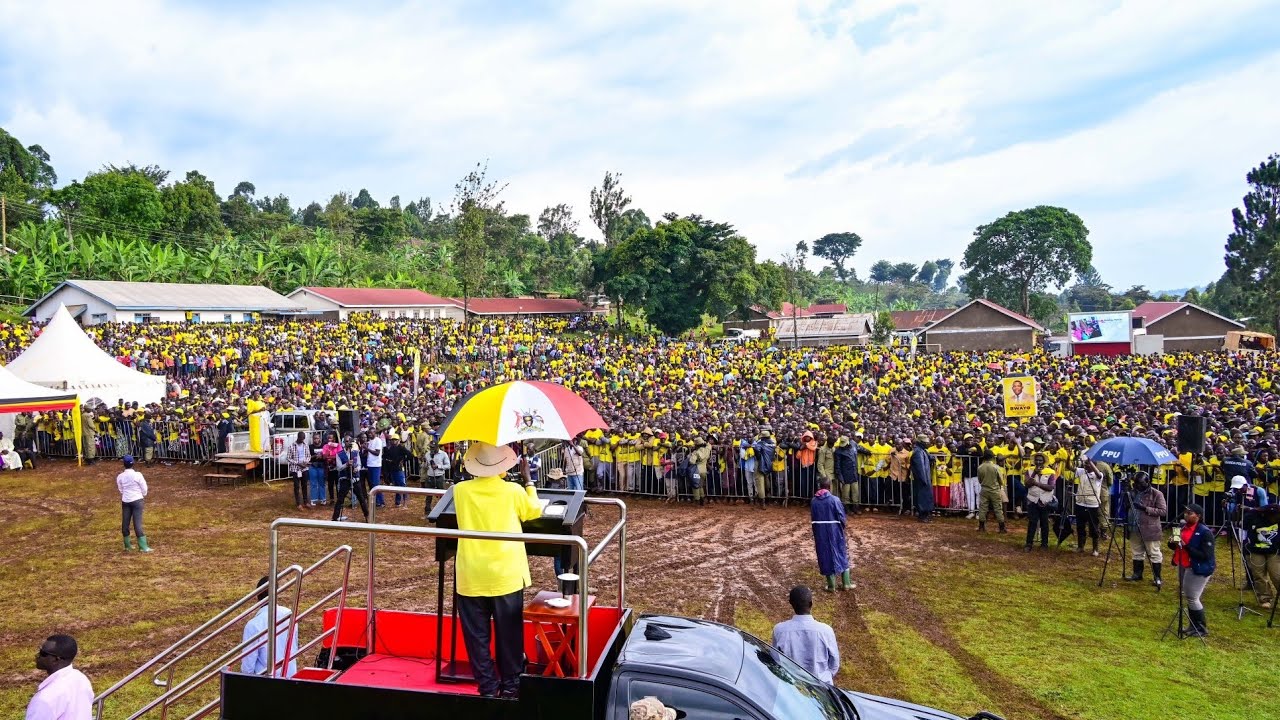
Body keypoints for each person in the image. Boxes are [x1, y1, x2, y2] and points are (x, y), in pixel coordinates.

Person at [453, 441, 542, 698]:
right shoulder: (513, 491)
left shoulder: (460, 490)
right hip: (505, 573)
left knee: (477, 637)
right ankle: (511, 686)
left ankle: (488, 688)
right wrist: (528, 481)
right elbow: (533, 511)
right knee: (509, 634)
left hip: (471, 573)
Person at [771, 586, 840, 683]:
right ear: (811, 603)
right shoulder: (826, 631)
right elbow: (834, 664)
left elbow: (776, 660)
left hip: (791, 686)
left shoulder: (779, 630)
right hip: (822, 686)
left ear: (791, 603)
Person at [1169, 503, 1216, 637]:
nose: (1186, 515)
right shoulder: (1180, 527)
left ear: (1198, 516)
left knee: (1193, 597)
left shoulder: (1205, 532)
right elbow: (1174, 547)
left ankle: (1201, 628)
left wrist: (1186, 546)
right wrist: (1172, 542)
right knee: (1189, 596)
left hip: (1198, 567)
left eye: (1190, 513)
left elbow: (1206, 555)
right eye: (1185, 512)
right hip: (1183, 564)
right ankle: (1192, 626)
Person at [240, 576, 299, 678]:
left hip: (266, 681)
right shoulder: (289, 615)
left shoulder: (253, 625)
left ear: (257, 595)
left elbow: (247, 668)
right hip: (290, 677)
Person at [26, 634, 92, 720]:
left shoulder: (45, 699)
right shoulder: (81, 678)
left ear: (56, 659)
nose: (37, 655)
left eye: (43, 653)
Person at [810, 479, 853, 591]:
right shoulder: (835, 500)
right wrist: (842, 528)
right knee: (841, 553)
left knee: (825, 555)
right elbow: (841, 516)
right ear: (830, 487)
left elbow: (813, 518)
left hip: (820, 532)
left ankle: (831, 586)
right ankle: (846, 584)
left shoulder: (814, 501)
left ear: (820, 486)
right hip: (835, 531)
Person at [1128, 472, 1167, 589]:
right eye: (1136, 483)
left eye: (1140, 484)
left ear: (1147, 482)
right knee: (1136, 551)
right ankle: (1137, 574)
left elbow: (1163, 511)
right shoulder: (1132, 492)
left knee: (1154, 552)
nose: (1138, 486)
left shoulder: (1156, 494)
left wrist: (1145, 508)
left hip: (1150, 528)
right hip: (1134, 526)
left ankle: (1157, 577)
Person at [1243, 504, 1280, 609]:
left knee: (1276, 575)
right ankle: (1265, 598)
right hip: (1255, 550)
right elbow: (1242, 526)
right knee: (1258, 575)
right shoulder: (1252, 516)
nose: (1275, 519)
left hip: (1274, 551)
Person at [117, 455, 152, 552]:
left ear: (124, 464)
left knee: (125, 523)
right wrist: (142, 494)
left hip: (126, 501)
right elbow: (144, 487)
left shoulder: (120, 476)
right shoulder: (138, 475)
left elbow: (121, 489)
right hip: (137, 500)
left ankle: (127, 545)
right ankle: (143, 547)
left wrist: (126, 494)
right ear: (133, 463)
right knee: (137, 523)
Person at [1024, 454, 1057, 551]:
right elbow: (1027, 484)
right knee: (1032, 522)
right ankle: (1029, 543)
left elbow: (1051, 487)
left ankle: (1044, 544)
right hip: (1032, 500)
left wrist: (1036, 483)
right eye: (1036, 460)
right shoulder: (1029, 471)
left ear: (1044, 461)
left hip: (1045, 501)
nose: (1038, 462)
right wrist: (1034, 473)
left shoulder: (1050, 472)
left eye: (1040, 460)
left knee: (1044, 523)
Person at [331, 438, 368, 522]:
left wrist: (357, 469)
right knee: (340, 499)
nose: (349, 443)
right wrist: (346, 464)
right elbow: (339, 468)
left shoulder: (355, 453)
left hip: (355, 478)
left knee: (361, 498)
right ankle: (335, 517)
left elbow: (359, 464)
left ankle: (367, 515)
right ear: (344, 443)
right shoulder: (339, 454)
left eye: (350, 441)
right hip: (345, 479)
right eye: (347, 441)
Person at [1074, 458, 1104, 556]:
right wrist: (1069, 457)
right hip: (1080, 503)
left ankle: (1095, 549)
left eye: (1088, 464)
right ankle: (1080, 546)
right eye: (1085, 464)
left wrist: (1090, 462)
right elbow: (1070, 468)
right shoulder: (1082, 471)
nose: (1085, 466)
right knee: (1080, 526)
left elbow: (1099, 475)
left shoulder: (1098, 475)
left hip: (1092, 505)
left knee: (1094, 527)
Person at [975, 450, 1006, 533]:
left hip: (984, 489)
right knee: (998, 508)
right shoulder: (996, 467)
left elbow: (980, 480)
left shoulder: (980, 467)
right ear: (992, 457)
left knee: (983, 508)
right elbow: (1001, 480)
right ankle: (1002, 528)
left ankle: (981, 527)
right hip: (995, 490)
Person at [910, 434, 934, 522]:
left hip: (925, 478)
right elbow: (920, 468)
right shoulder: (918, 452)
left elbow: (929, 458)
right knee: (922, 497)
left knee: (925, 497)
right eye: (926, 442)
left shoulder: (922, 451)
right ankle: (922, 515)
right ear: (921, 443)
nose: (928, 444)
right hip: (922, 479)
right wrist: (923, 479)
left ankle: (925, 514)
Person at [382, 434, 410, 508]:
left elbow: (410, 455)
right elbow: (385, 456)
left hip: (399, 469)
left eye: (395, 440)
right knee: (397, 486)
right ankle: (397, 502)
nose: (394, 441)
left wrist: (403, 460)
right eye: (392, 440)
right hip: (393, 469)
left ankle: (405, 503)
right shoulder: (390, 448)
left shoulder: (401, 448)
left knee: (402, 485)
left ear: (398, 440)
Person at [286, 432, 310, 510]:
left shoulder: (306, 445)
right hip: (295, 469)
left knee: (305, 485)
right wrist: (298, 463)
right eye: (301, 439)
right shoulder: (291, 446)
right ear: (298, 437)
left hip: (304, 468)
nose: (302, 440)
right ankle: (298, 503)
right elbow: (288, 458)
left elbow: (308, 456)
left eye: (303, 439)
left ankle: (306, 502)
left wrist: (305, 462)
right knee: (296, 486)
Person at [365, 430, 385, 508]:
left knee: (376, 484)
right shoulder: (369, 441)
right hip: (370, 464)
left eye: (371, 433)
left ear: (375, 433)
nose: (370, 434)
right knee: (371, 484)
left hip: (376, 465)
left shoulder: (378, 441)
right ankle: (375, 501)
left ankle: (381, 501)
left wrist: (367, 449)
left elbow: (377, 453)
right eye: (369, 433)